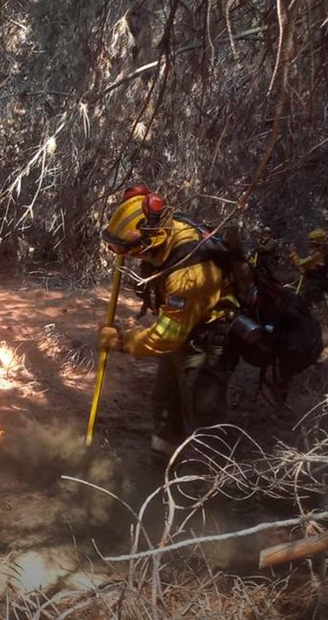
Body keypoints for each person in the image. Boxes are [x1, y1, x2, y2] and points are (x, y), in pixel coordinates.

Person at [97, 186, 242, 458]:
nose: (126, 255)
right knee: (165, 402)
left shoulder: (190, 272)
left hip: (208, 341)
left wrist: (122, 341)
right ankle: (164, 461)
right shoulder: (163, 229)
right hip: (182, 331)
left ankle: (211, 479)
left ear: (151, 239)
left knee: (203, 412)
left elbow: (168, 336)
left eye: (129, 249)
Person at [293, 228, 328, 308]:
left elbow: (302, 263)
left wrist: (294, 255)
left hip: (315, 286)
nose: (311, 247)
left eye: (313, 245)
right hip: (313, 284)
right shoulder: (319, 255)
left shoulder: (318, 255)